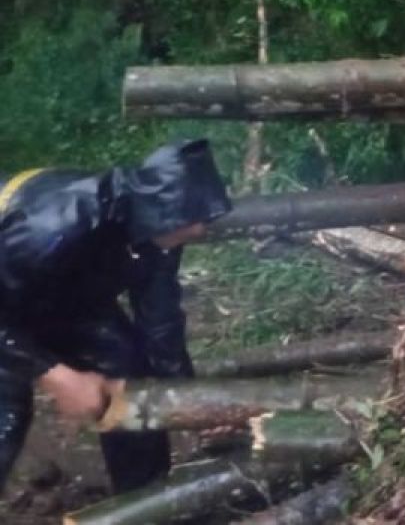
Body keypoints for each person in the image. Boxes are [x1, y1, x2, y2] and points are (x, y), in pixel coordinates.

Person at [0, 139, 232, 492]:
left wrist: (189, 401)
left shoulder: (153, 231)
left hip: (59, 297)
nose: (201, 230)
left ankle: (143, 502)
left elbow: (159, 318)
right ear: (164, 208)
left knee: (129, 369)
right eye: (196, 219)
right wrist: (57, 375)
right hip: (9, 299)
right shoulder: (51, 226)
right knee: (8, 413)